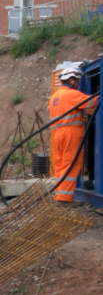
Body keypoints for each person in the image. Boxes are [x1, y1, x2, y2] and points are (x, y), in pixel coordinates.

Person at [48, 67, 98, 204]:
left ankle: (60, 195)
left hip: (58, 134)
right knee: (71, 164)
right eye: (77, 81)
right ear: (71, 80)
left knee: (61, 165)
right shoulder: (71, 94)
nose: (77, 83)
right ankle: (64, 199)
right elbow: (93, 101)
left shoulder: (54, 96)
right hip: (70, 133)